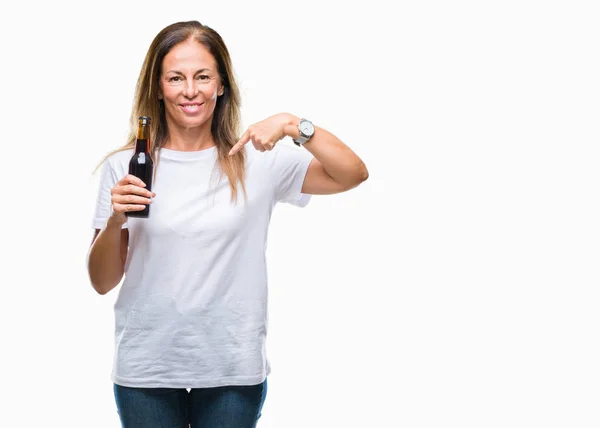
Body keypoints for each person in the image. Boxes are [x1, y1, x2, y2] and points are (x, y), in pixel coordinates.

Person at [87, 20, 368, 428]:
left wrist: (294, 125)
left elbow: (353, 174)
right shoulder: (127, 166)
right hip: (147, 368)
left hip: (231, 371)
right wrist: (115, 220)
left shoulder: (258, 161)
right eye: (176, 78)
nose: (190, 90)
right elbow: (101, 281)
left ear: (221, 85)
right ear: (158, 86)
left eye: (203, 76)